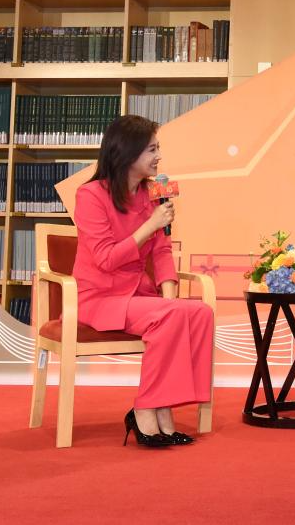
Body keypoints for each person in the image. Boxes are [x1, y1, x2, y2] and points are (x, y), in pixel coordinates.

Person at [73, 115, 213, 447]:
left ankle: (163, 406)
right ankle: (147, 410)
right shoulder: (90, 195)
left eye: (158, 148)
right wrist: (150, 225)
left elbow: (161, 252)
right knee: (171, 316)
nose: (159, 156)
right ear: (127, 151)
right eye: (152, 149)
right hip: (100, 298)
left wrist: (169, 296)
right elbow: (106, 259)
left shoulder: (153, 193)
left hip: (139, 296)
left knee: (200, 313)